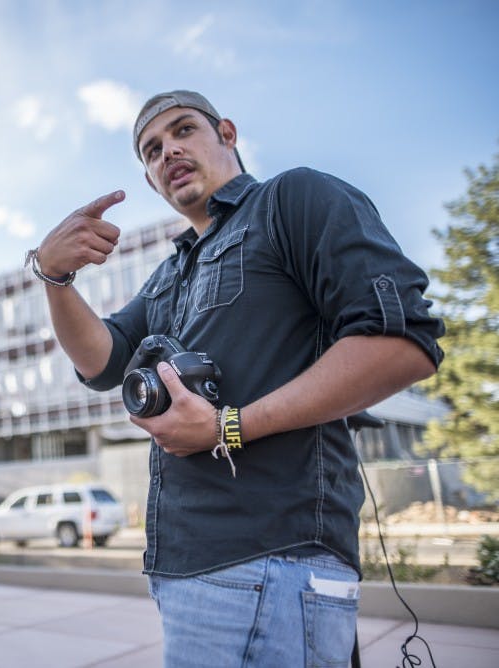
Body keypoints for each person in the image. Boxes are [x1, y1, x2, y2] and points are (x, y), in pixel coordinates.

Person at [29, 90, 444, 666]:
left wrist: (228, 425)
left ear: (226, 133)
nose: (168, 152)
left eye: (183, 130)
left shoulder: (292, 199)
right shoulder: (170, 271)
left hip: (275, 556)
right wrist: (54, 277)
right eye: (152, 150)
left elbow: (403, 344)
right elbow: (101, 363)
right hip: (186, 566)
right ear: (150, 180)